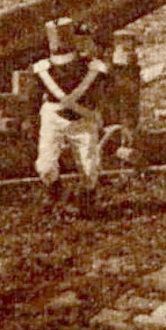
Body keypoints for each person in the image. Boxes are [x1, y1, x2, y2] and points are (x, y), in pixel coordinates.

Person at [31, 17, 108, 216]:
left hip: (82, 120)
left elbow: (104, 97)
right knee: (45, 166)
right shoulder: (42, 70)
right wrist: (30, 123)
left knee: (90, 169)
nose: (65, 70)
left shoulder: (94, 69)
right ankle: (55, 192)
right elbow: (32, 101)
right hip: (53, 117)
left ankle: (87, 201)